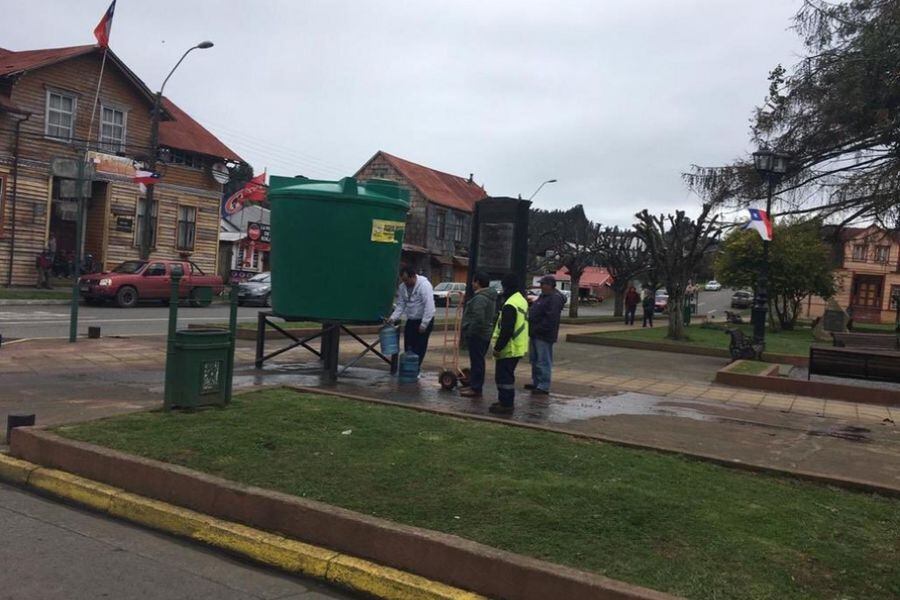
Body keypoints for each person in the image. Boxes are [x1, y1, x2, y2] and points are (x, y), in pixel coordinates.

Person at [489, 273, 529, 415]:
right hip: (518, 345)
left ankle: (506, 404)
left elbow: (506, 330)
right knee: (507, 375)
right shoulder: (521, 300)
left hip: (509, 347)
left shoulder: (510, 304)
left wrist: (498, 348)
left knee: (503, 377)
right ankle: (504, 401)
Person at [525, 275, 566, 395]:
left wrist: (538, 328)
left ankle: (543, 385)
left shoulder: (554, 299)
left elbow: (551, 318)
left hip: (543, 334)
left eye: (543, 284)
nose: (541, 286)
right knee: (535, 360)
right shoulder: (544, 296)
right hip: (535, 333)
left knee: (543, 360)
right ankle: (537, 382)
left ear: (550, 285)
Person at [459, 271, 497, 398]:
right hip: (484, 334)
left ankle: (476, 388)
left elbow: (478, 318)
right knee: (477, 361)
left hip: (478, 335)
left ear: (478, 283)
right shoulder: (488, 296)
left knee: (477, 362)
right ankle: (475, 386)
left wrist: (469, 331)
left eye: (474, 281)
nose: (472, 283)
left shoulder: (480, 298)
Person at [388, 265, 436, 366]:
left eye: (407, 280)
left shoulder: (424, 286)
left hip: (423, 319)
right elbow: (401, 305)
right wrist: (392, 318)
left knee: (419, 347)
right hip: (411, 320)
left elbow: (429, 306)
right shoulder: (403, 287)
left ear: (413, 276)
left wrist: (424, 324)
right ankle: (408, 368)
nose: (405, 283)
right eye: (403, 280)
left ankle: (415, 369)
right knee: (408, 346)